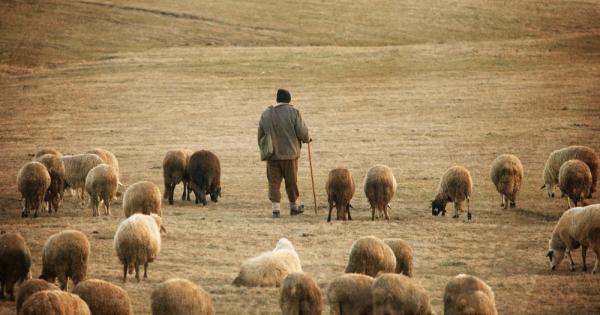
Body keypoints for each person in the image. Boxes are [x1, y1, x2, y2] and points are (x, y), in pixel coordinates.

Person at [258, 89, 311, 218]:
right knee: (291, 181)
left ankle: (275, 209)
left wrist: (265, 149)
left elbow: (260, 136)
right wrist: (307, 138)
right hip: (290, 155)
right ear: (289, 100)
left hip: (272, 155)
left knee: (274, 182)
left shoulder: (266, 114)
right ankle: (294, 207)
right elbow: (302, 131)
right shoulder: (294, 112)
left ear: (277, 99)